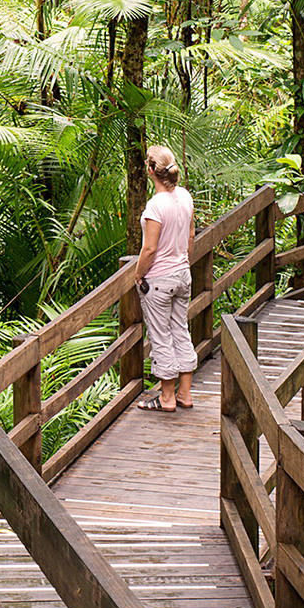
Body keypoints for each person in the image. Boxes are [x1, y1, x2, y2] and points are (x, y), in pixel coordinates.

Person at [125, 145, 197, 411]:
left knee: (160, 335)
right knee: (180, 329)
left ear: (151, 170)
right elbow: (190, 236)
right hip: (182, 273)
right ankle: (185, 394)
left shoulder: (156, 205)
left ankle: (166, 398)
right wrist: (185, 261)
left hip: (159, 279)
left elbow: (150, 248)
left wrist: (138, 273)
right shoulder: (185, 197)